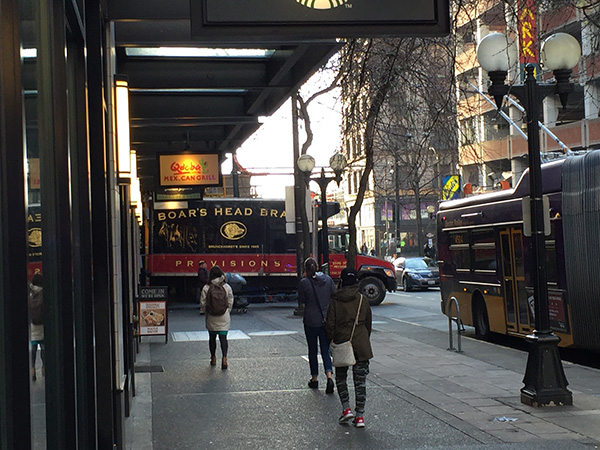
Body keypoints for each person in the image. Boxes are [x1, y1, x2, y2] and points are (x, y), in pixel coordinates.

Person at [326, 267, 373, 428]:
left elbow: (330, 324)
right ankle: (360, 416)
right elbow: (368, 323)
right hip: (361, 344)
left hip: (341, 342)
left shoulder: (335, 300)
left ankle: (346, 409)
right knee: (360, 381)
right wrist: (364, 338)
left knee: (341, 377)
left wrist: (331, 340)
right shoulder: (362, 299)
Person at [297, 257, 336, 393]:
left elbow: (301, 300)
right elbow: (334, 295)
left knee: (312, 349)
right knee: (325, 349)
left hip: (310, 320)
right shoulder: (328, 280)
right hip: (325, 320)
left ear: (305, 269)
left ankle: (314, 379)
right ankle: (329, 376)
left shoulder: (304, 283)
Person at [200, 266, 234, 369]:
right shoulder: (226, 287)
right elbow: (230, 301)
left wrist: (205, 312)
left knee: (212, 338)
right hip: (224, 316)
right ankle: (224, 358)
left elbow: (203, 302)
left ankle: (213, 358)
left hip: (211, 316)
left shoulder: (207, 287)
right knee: (223, 338)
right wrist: (227, 311)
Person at [29, 273, 45, 381]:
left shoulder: (30, 293)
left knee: (34, 347)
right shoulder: (44, 292)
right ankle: (44, 367)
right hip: (42, 323)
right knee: (43, 346)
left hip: (33, 324)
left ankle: (33, 368)